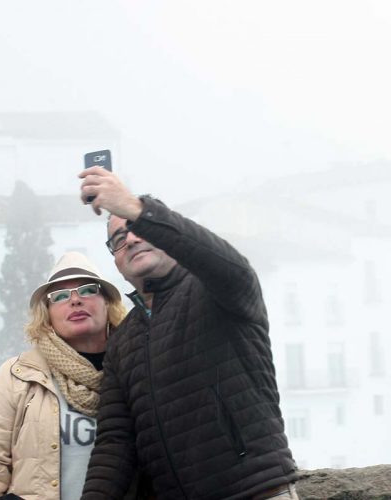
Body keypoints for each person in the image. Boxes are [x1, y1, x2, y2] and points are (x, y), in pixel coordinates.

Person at [78, 167, 299, 500]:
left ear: (165, 236)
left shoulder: (216, 289)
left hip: (257, 490)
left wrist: (136, 209)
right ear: (117, 262)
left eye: (137, 229)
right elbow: (116, 443)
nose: (132, 238)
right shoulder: (123, 340)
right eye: (119, 239)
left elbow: (230, 265)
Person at [0, 251, 130, 500]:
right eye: (59, 296)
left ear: (107, 302)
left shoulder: (136, 367)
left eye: (87, 290)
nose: (75, 301)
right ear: (46, 314)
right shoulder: (18, 375)